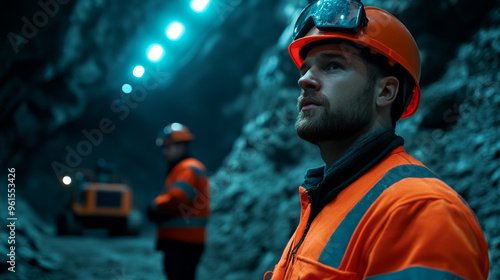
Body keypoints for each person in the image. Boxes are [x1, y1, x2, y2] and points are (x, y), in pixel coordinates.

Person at [264, 0, 490, 279]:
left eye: (332, 65)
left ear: (385, 92)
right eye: (305, 69)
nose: (305, 80)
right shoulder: (322, 206)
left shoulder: (417, 209)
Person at [147, 122, 209, 280]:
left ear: (181, 147)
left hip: (182, 242)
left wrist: (155, 206)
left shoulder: (187, 168)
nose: (164, 152)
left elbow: (178, 197)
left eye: (168, 147)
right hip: (184, 241)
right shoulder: (185, 168)